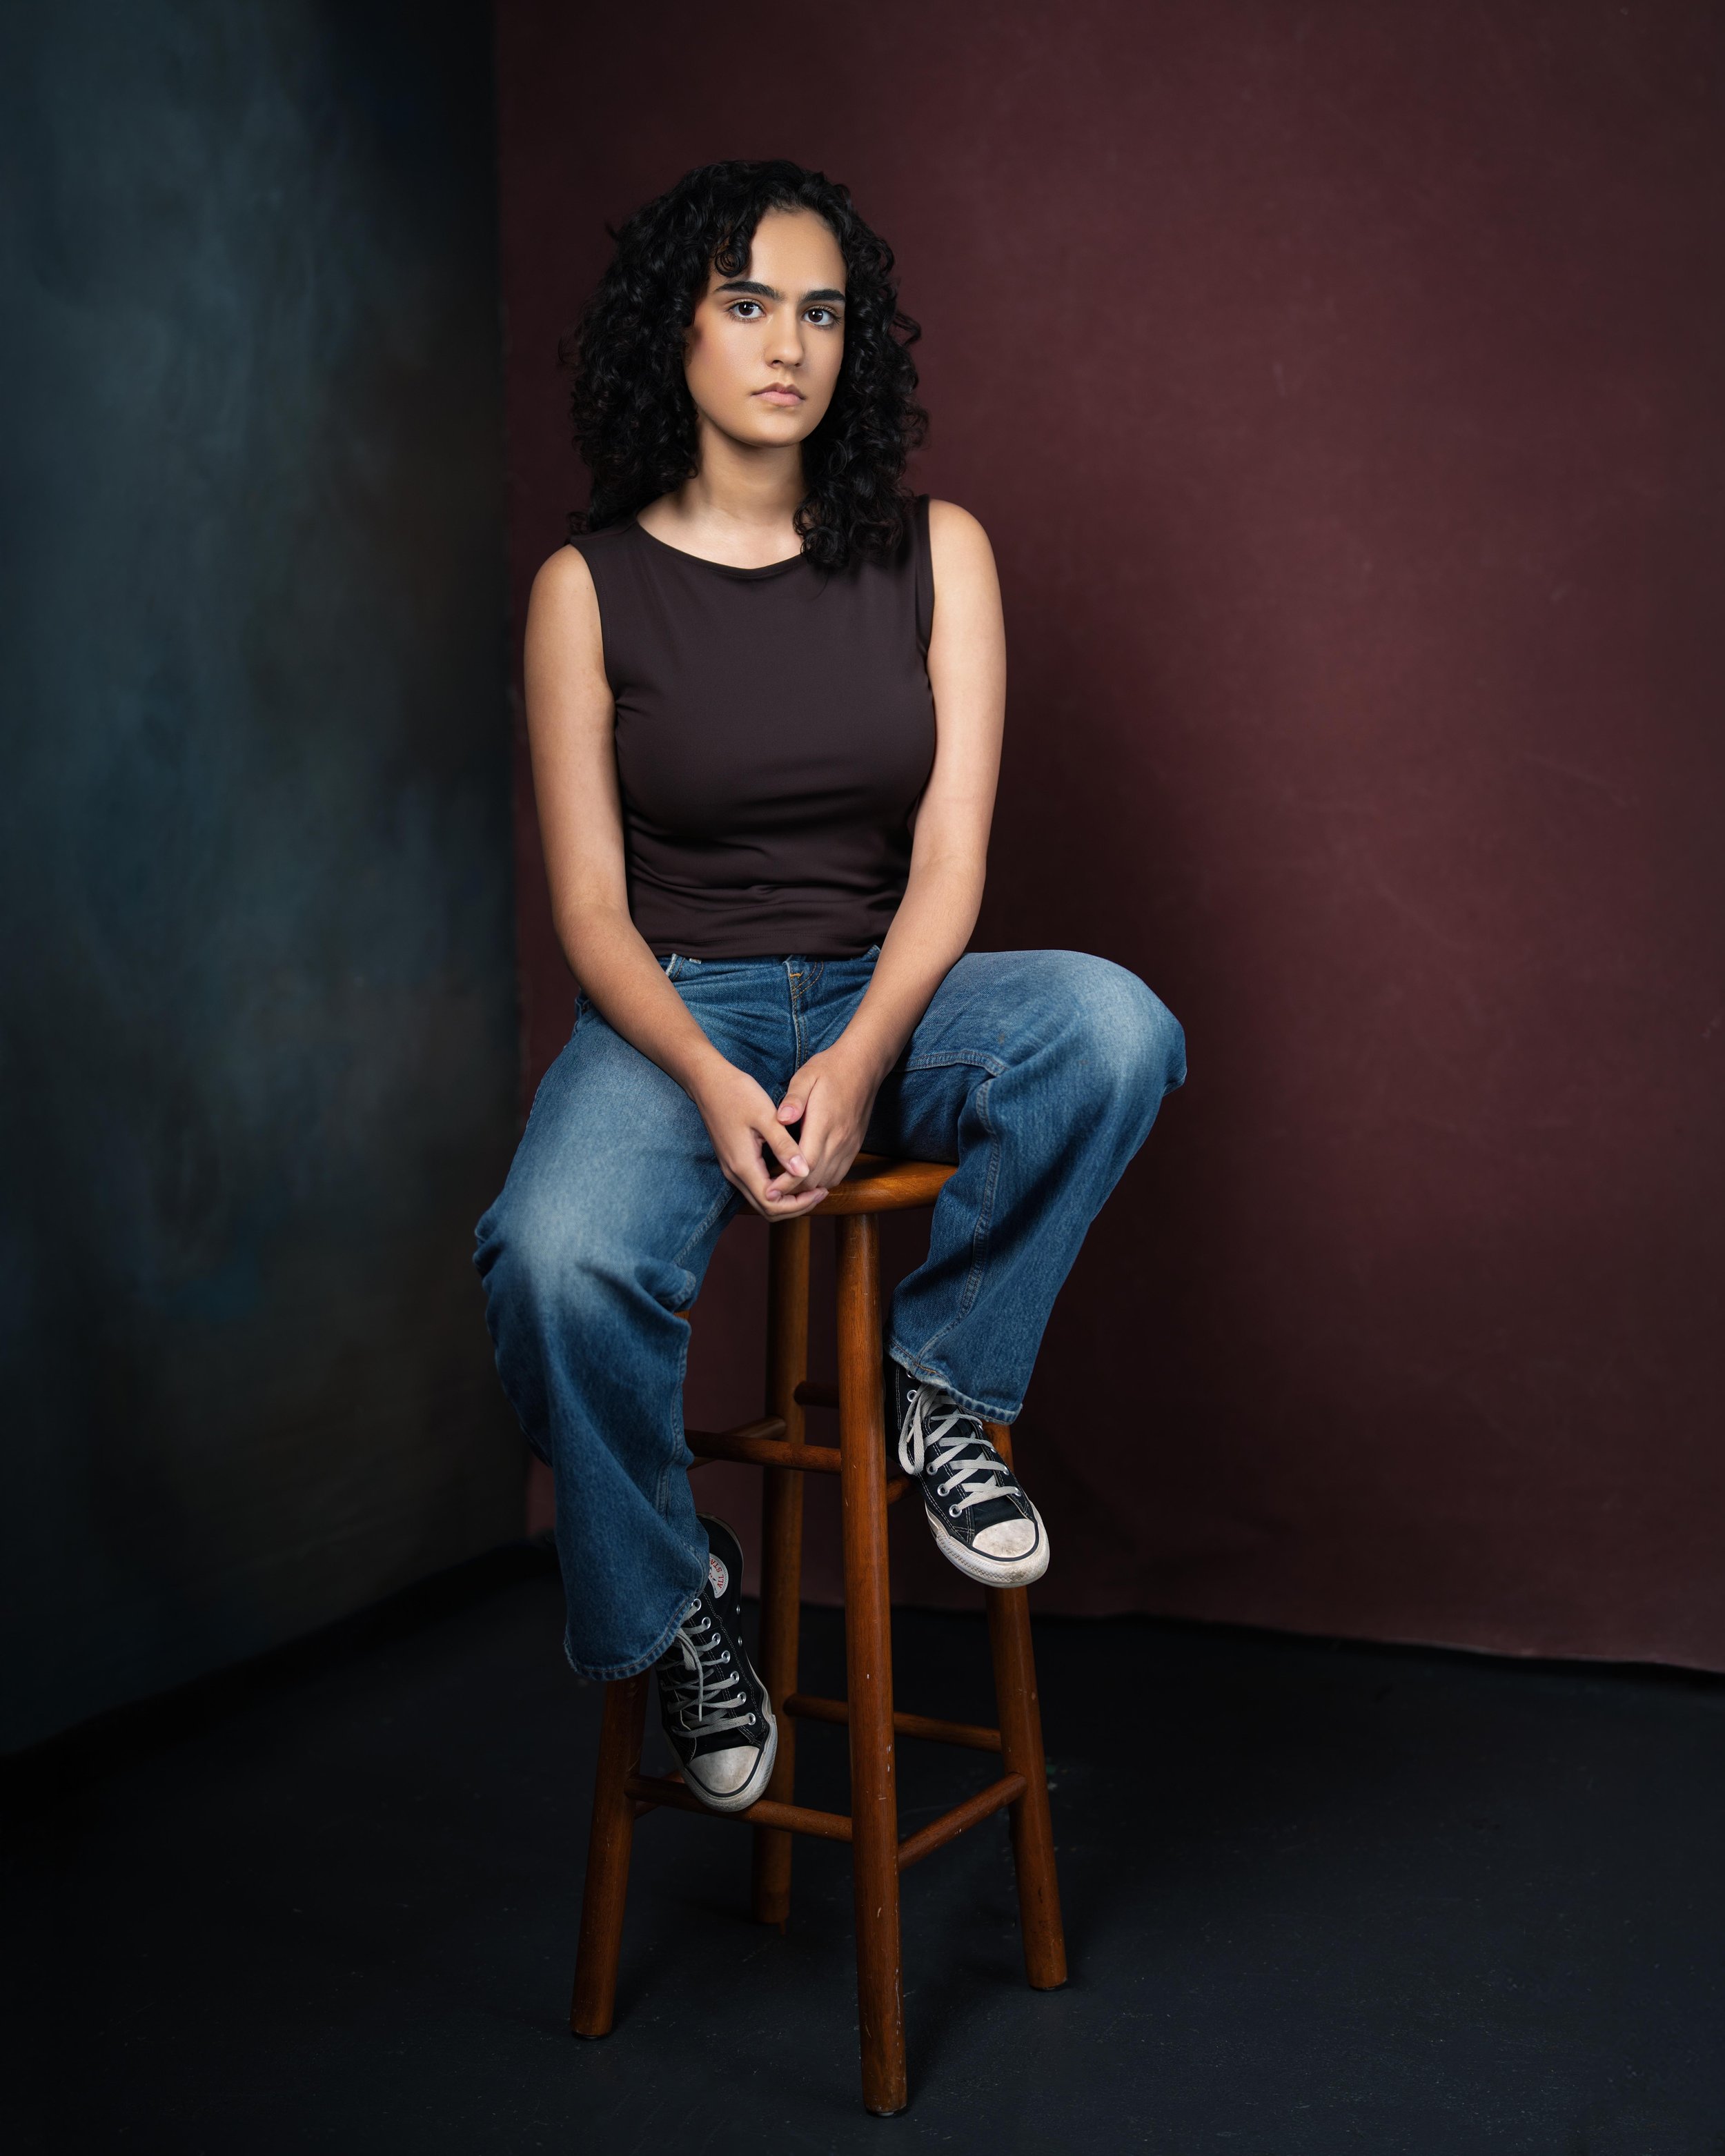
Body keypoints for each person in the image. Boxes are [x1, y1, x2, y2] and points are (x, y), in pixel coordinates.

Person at [474, 159, 1185, 1816]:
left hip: (895, 982)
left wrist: (864, 1055)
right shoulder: (583, 592)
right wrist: (715, 1080)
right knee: (549, 1255)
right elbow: (587, 906)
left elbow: (949, 866)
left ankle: (938, 1388)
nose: (787, 344)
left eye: (820, 310)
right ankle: (676, 1600)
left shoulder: (941, 552)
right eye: (745, 305)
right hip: (680, 1009)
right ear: (676, 333)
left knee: (1114, 1026)